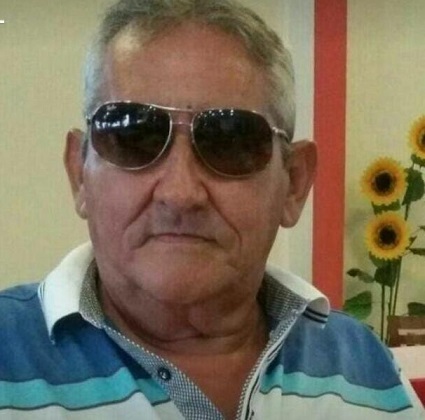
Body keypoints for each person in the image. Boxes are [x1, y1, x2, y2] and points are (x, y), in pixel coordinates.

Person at [0, 0, 423, 419]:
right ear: (79, 174)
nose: (180, 193)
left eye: (230, 140)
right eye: (133, 135)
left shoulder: (366, 366)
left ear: (294, 183)